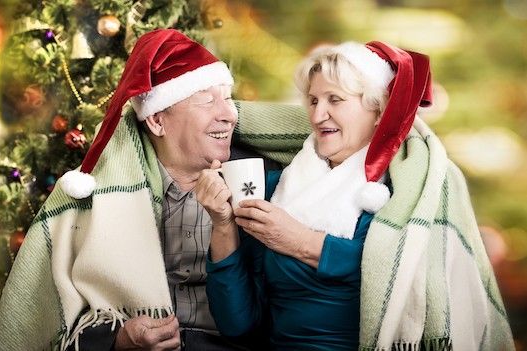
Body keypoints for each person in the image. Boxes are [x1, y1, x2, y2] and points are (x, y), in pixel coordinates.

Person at [0, 28, 308, 351]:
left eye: (227, 99)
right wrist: (118, 340)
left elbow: (272, 314)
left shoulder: (261, 181)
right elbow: (56, 317)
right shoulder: (100, 193)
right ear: (156, 121)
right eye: (208, 101)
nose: (229, 115)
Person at [198, 41, 515, 350]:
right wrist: (223, 225)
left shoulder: (404, 192)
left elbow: (402, 275)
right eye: (312, 100)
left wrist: (300, 240)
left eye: (334, 100)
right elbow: (239, 325)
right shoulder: (277, 188)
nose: (318, 114)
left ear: (378, 110)